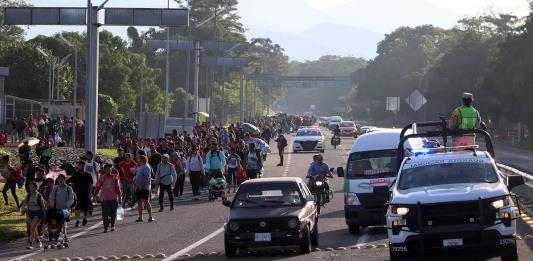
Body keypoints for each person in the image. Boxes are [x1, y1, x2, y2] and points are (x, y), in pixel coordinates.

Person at [93, 163, 121, 232]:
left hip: (113, 197)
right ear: (104, 169)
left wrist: (120, 197)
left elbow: (118, 187)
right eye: (107, 169)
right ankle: (105, 227)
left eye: (110, 169)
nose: (109, 170)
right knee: (104, 213)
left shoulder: (115, 177)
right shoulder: (101, 178)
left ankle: (112, 225)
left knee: (113, 212)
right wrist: (94, 196)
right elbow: (98, 187)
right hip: (104, 198)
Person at [48, 174, 75, 241]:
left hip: (66, 209)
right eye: (59, 179)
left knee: (64, 223)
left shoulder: (69, 188)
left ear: (65, 179)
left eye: (62, 179)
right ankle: (57, 235)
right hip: (57, 209)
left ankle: (65, 236)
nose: (60, 181)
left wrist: (67, 205)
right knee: (57, 222)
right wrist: (51, 204)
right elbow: (52, 197)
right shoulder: (56, 188)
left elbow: (71, 199)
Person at [20, 181, 46, 249]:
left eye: (33, 187)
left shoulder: (39, 196)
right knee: (33, 228)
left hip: (38, 213)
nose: (31, 189)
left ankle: (30, 243)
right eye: (30, 187)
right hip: (29, 213)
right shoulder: (28, 196)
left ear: (36, 188)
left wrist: (45, 217)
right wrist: (22, 210)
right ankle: (38, 242)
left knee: (32, 227)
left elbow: (43, 207)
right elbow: (24, 205)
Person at [68, 160, 93, 227]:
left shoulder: (88, 175)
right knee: (77, 208)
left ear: (83, 166)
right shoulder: (75, 174)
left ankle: (85, 218)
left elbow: (91, 185)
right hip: (77, 194)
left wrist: (90, 193)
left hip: (86, 193)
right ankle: (77, 220)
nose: (78, 167)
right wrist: (72, 188)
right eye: (78, 165)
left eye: (80, 165)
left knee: (86, 208)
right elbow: (70, 181)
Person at [134, 155, 154, 222]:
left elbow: (147, 177)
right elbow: (137, 176)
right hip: (138, 187)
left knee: (146, 201)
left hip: (144, 187)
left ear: (142, 159)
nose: (137, 159)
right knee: (139, 202)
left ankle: (150, 216)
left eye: (138, 158)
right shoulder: (140, 167)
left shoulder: (146, 166)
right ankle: (140, 217)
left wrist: (142, 185)